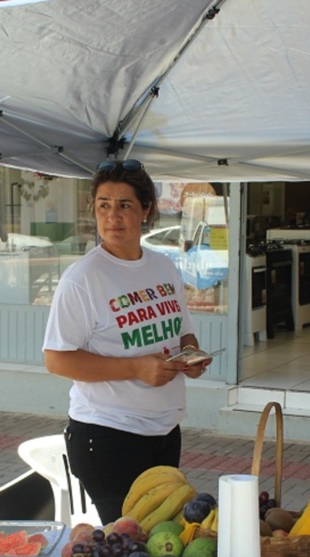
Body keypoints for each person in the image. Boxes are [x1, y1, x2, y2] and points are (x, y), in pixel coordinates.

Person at [42, 159, 209, 524]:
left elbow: (182, 331)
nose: (112, 216)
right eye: (103, 205)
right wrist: (136, 368)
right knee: (130, 543)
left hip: (165, 430)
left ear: (146, 210)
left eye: (124, 205)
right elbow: (56, 359)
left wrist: (190, 356)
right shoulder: (83, 278)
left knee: (162, 537)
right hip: (108, 436)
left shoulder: (163, 266)